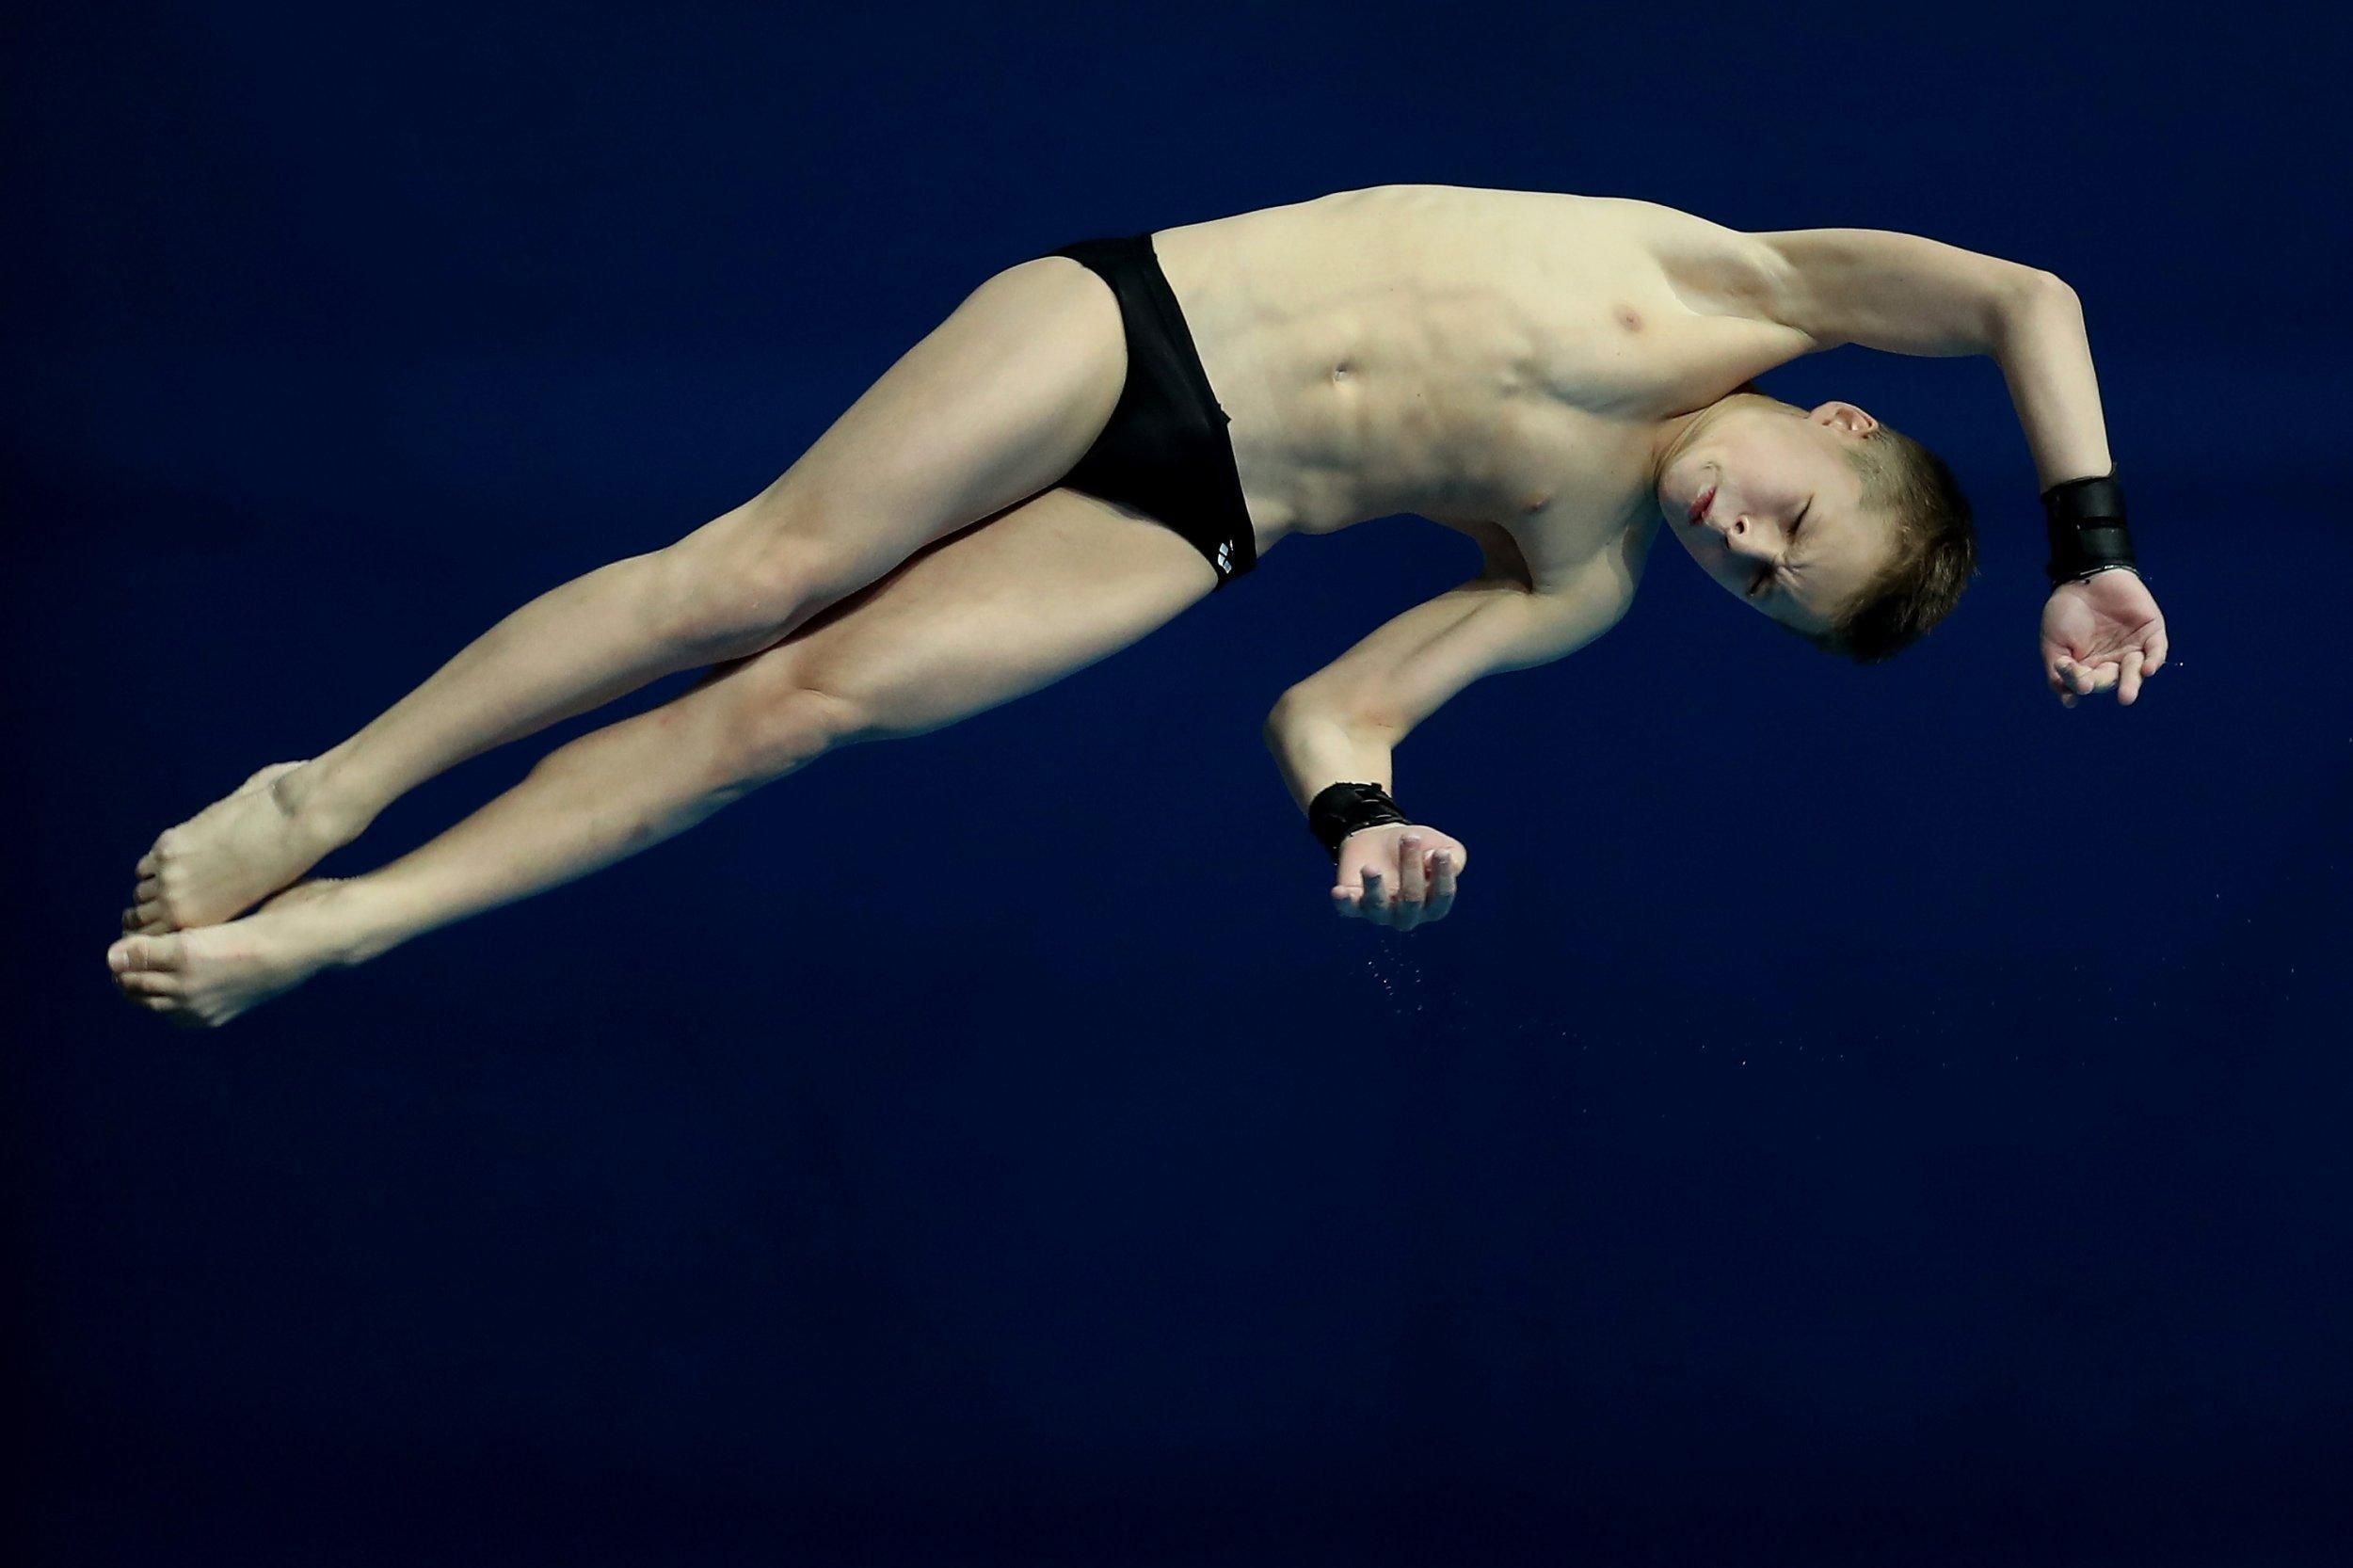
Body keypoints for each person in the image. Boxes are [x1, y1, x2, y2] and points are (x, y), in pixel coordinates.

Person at [105, 184, 2168, 1027]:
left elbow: (1328, 718)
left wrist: (1366, 828)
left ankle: (347, 923)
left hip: (1201, 511)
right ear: (1828, 414)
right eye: (1790, 514)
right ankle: (327, 789)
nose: (1735, 540)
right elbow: (2022, 299)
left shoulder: (1575, 572)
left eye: (1757, 587)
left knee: (800, 709)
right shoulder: (1739, 286)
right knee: (755, 573)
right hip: (1140, 325)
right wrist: (2089, 550)